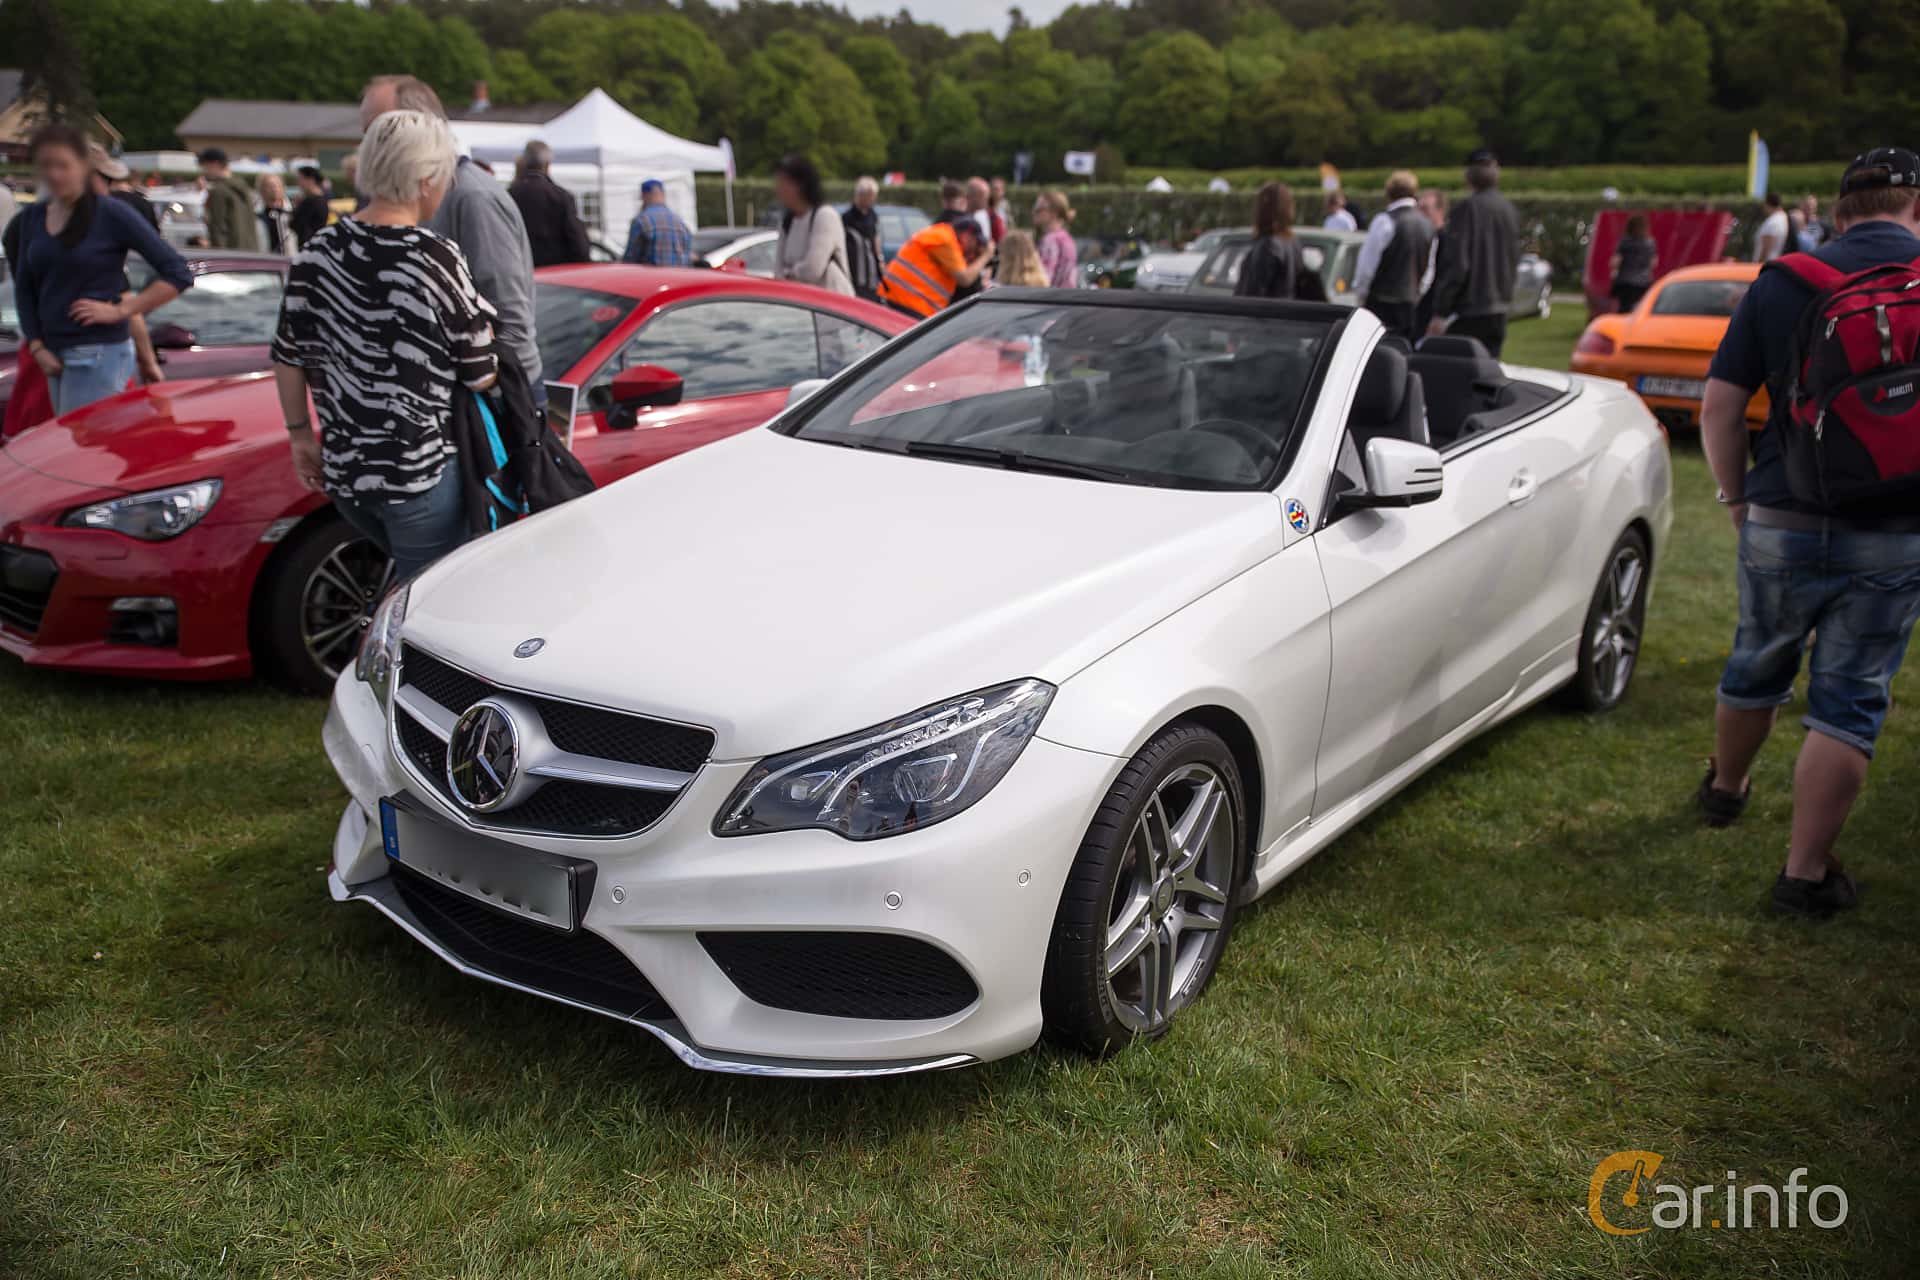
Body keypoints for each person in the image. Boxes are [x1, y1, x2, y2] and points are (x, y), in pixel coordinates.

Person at [1693, 147, 1920, 918]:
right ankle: (1803, 873)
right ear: (1914, 207)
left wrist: (1733, 495)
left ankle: (1725, 790)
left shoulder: (1786, 280)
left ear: (1839, 207)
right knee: (1849, 700)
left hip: (1782, 514)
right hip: (1895, 527)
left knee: (1757, 657)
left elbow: (1721, 406)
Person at [272, 109, 498, 582]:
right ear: (422, 180)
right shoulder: (432, 257)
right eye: (443, 175)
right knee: (427, 603)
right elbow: (480, 370)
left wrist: (298, 434)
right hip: (418, 473)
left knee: (402, 586)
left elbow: (288, 354)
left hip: (346, 473)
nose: (448, 186)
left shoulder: (316, 252)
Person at [360, 75, 541, 400]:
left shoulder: (471, 198)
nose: (368, 146)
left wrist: (512, 410)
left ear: (418, 129)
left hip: (493, 401)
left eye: (378, 130)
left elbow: (510, 319)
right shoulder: (408, 206)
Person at [14, 124, 192, 417]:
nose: (54, 174)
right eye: (46, 165)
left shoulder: (110, 213)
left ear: (84, 167)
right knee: (61, 452)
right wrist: (36, 346)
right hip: (51, 353)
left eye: (63, 165)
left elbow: (178, 272)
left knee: (81, 453)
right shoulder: (34, 215)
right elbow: (24, 285)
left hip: (98, 352)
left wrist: (122, 310)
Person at [1427, 148, 1520, 356]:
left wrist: (1441, 310)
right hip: (1498, 307)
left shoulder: (1467, 210)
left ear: (1468, 175)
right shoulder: (1509, 210)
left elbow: (1457, 264)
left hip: (1469, 310)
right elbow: (1514, 259)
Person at [1352, 170, 1432, 341]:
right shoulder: (1427, 225)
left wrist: (1361, 294)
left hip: (1380, 303)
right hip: (1409, 304)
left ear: (1389, 192)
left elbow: (1367, 267)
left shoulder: (1384, 221)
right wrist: (1416, 294)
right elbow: (1428, 270)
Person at [877, 215, 992, 319]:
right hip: (908, 304)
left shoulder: (941, 235)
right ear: (966, 236)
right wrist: (986, 256)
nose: (974, 249)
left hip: (905, 301)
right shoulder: (944, 240)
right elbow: (965, 278)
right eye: (976, 243)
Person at [773, 154, 852, 295]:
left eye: (783, 183)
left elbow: (813, 270)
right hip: (804, 304)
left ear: (800, 185)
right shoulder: (788, 221)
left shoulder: (824, 216)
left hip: (833, 304)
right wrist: (791, 274)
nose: (778, 189)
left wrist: (789, 273)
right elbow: (778, 271)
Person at [509, 141, 591, 267]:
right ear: (547, 164)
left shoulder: (509, 195)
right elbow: (578, 244)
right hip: (556, 274)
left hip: (520, 271)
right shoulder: (561, 196)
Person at [1235, 182, 1307, 300]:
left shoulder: (1268, 245)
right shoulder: (1293, 242)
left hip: (1265, 316)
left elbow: (1252, 295)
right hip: (1286, 314)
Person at [197, 148, 261, 251]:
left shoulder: (219, 191)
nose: (204, 172)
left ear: (215, 164)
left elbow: (217, 228)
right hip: (250, 250)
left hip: (230, 255)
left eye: (205, 167)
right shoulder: (243, 187)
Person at [622, 178, 692, 267]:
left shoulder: (641, 220)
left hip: (652, 278)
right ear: (663, 194)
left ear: (645, 195)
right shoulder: (680, 222)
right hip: (678, 278)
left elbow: (630, 259)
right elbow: (687, 256)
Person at [843, 176, 886, 299]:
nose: (873, 199)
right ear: (860, 195)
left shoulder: (873, 216)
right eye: (870, 195)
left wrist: (881, 263)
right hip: (855, 275)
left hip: (872, 276)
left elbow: (876, 241)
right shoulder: (847, 219)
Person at [1609, 214, 1658, 313]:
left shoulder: (1625, 242)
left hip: (1625, 281)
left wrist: (1614, 268)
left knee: (1624, 308)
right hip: (1643, 282)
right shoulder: (1650, 243)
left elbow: (1616, 262)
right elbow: (1654, 263)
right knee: (1640, 309)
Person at [1033, 189, 1079, 289]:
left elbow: (1044, 280)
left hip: (1050, 300)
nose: (1034, 211)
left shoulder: (1050, 240)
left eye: (1039, 208)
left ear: (1054, 213)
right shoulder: (1067, 238)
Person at [255, 172, 295, 255]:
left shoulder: (293, 213)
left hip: (290, 262)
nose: (274, 189)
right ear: (261, 190)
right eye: (269, 186)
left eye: (277, 185)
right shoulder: (255, 215)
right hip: (264, 262)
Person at [291, 165, 331, 246]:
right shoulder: (322, 199)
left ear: (310, 180)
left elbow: (297, 224)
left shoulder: (311, 202)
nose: (298, 183)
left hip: (308, 246)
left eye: (300, 179)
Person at [1752, 191, 1790, 262]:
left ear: (1767, 204)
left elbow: (1766, 248)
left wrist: (1759, 264)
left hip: (1766, 263)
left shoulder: (1773, 222)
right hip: (1774, 261)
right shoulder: (1782, 218)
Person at [965, 176, 1003, 244]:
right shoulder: (957, 215)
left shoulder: (989, 216)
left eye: (986, 196)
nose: (985, 200)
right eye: (981, 195)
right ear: (970, 195)